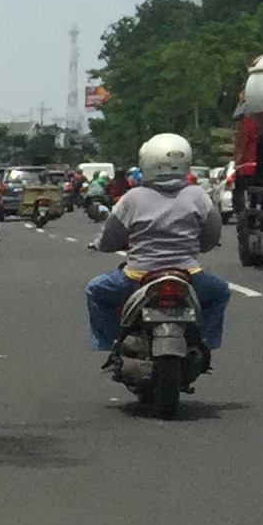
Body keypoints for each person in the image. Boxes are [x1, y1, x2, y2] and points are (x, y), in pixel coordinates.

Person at [86, 132, 229, 384]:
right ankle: (206, 340)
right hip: (189, 275)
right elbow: (211, 233)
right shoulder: (198, 195)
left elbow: (110, 237)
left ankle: (109, 344)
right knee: (220, 292)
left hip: (138, 276)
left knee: (95, 291)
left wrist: (100, 245)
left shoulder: (132, 198)